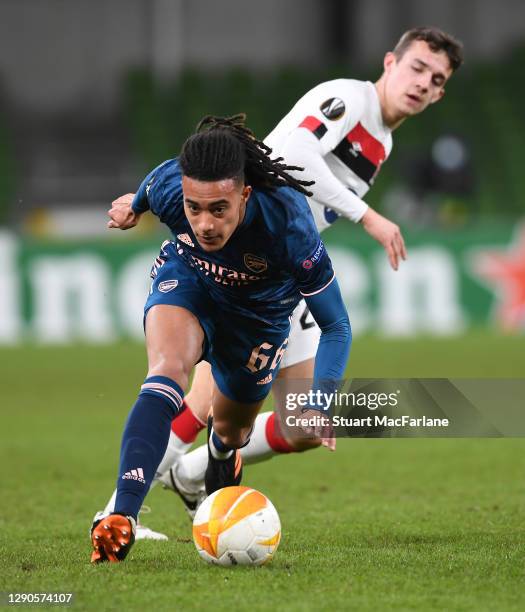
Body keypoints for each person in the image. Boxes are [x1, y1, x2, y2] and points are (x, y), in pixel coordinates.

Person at [95, 25, 464, 538]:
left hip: (285, 271)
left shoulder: (382, 136)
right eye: (417, 67)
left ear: (442, 92)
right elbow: (297, 153)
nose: (423, 82)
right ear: (389, 63)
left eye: (435, 77)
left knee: (302, 422)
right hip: (244, 254)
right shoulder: (348, 99)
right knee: (199, 398)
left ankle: (191, 475)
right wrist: (369, 217)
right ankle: (117, 510)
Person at [90, 114, 351, 563]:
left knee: (232, 431)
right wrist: (133, 206)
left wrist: (321, 400)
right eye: (194, 208)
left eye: (219, 209)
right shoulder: (174, 187)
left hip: (259, 320)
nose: (204, 224)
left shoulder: (287, 223)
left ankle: (217, 454)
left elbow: (336, 325)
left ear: (244, 194)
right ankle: (121, 516)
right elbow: (153, 185)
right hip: (189, 281)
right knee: (168, 370)